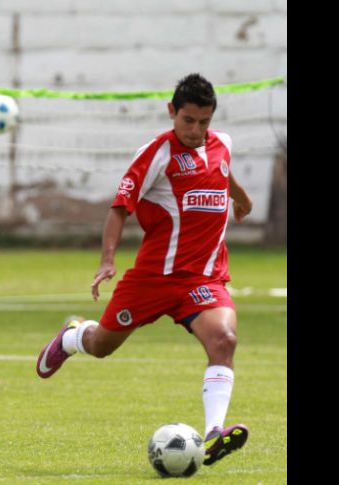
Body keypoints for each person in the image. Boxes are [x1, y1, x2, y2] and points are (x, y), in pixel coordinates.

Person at [36, 73, 253, 466]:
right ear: (172, 112)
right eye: (188, 120)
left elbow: (224, 174)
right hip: (153, 278)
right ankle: (72, 337)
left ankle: (214, 433)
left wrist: (241, 199)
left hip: (203, 279)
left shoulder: (222, 145)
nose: (196, 130)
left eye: (204, 122)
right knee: (102, 346)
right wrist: (107, 260)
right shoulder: (157, 153)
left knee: (224, 340)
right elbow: (120, 207)